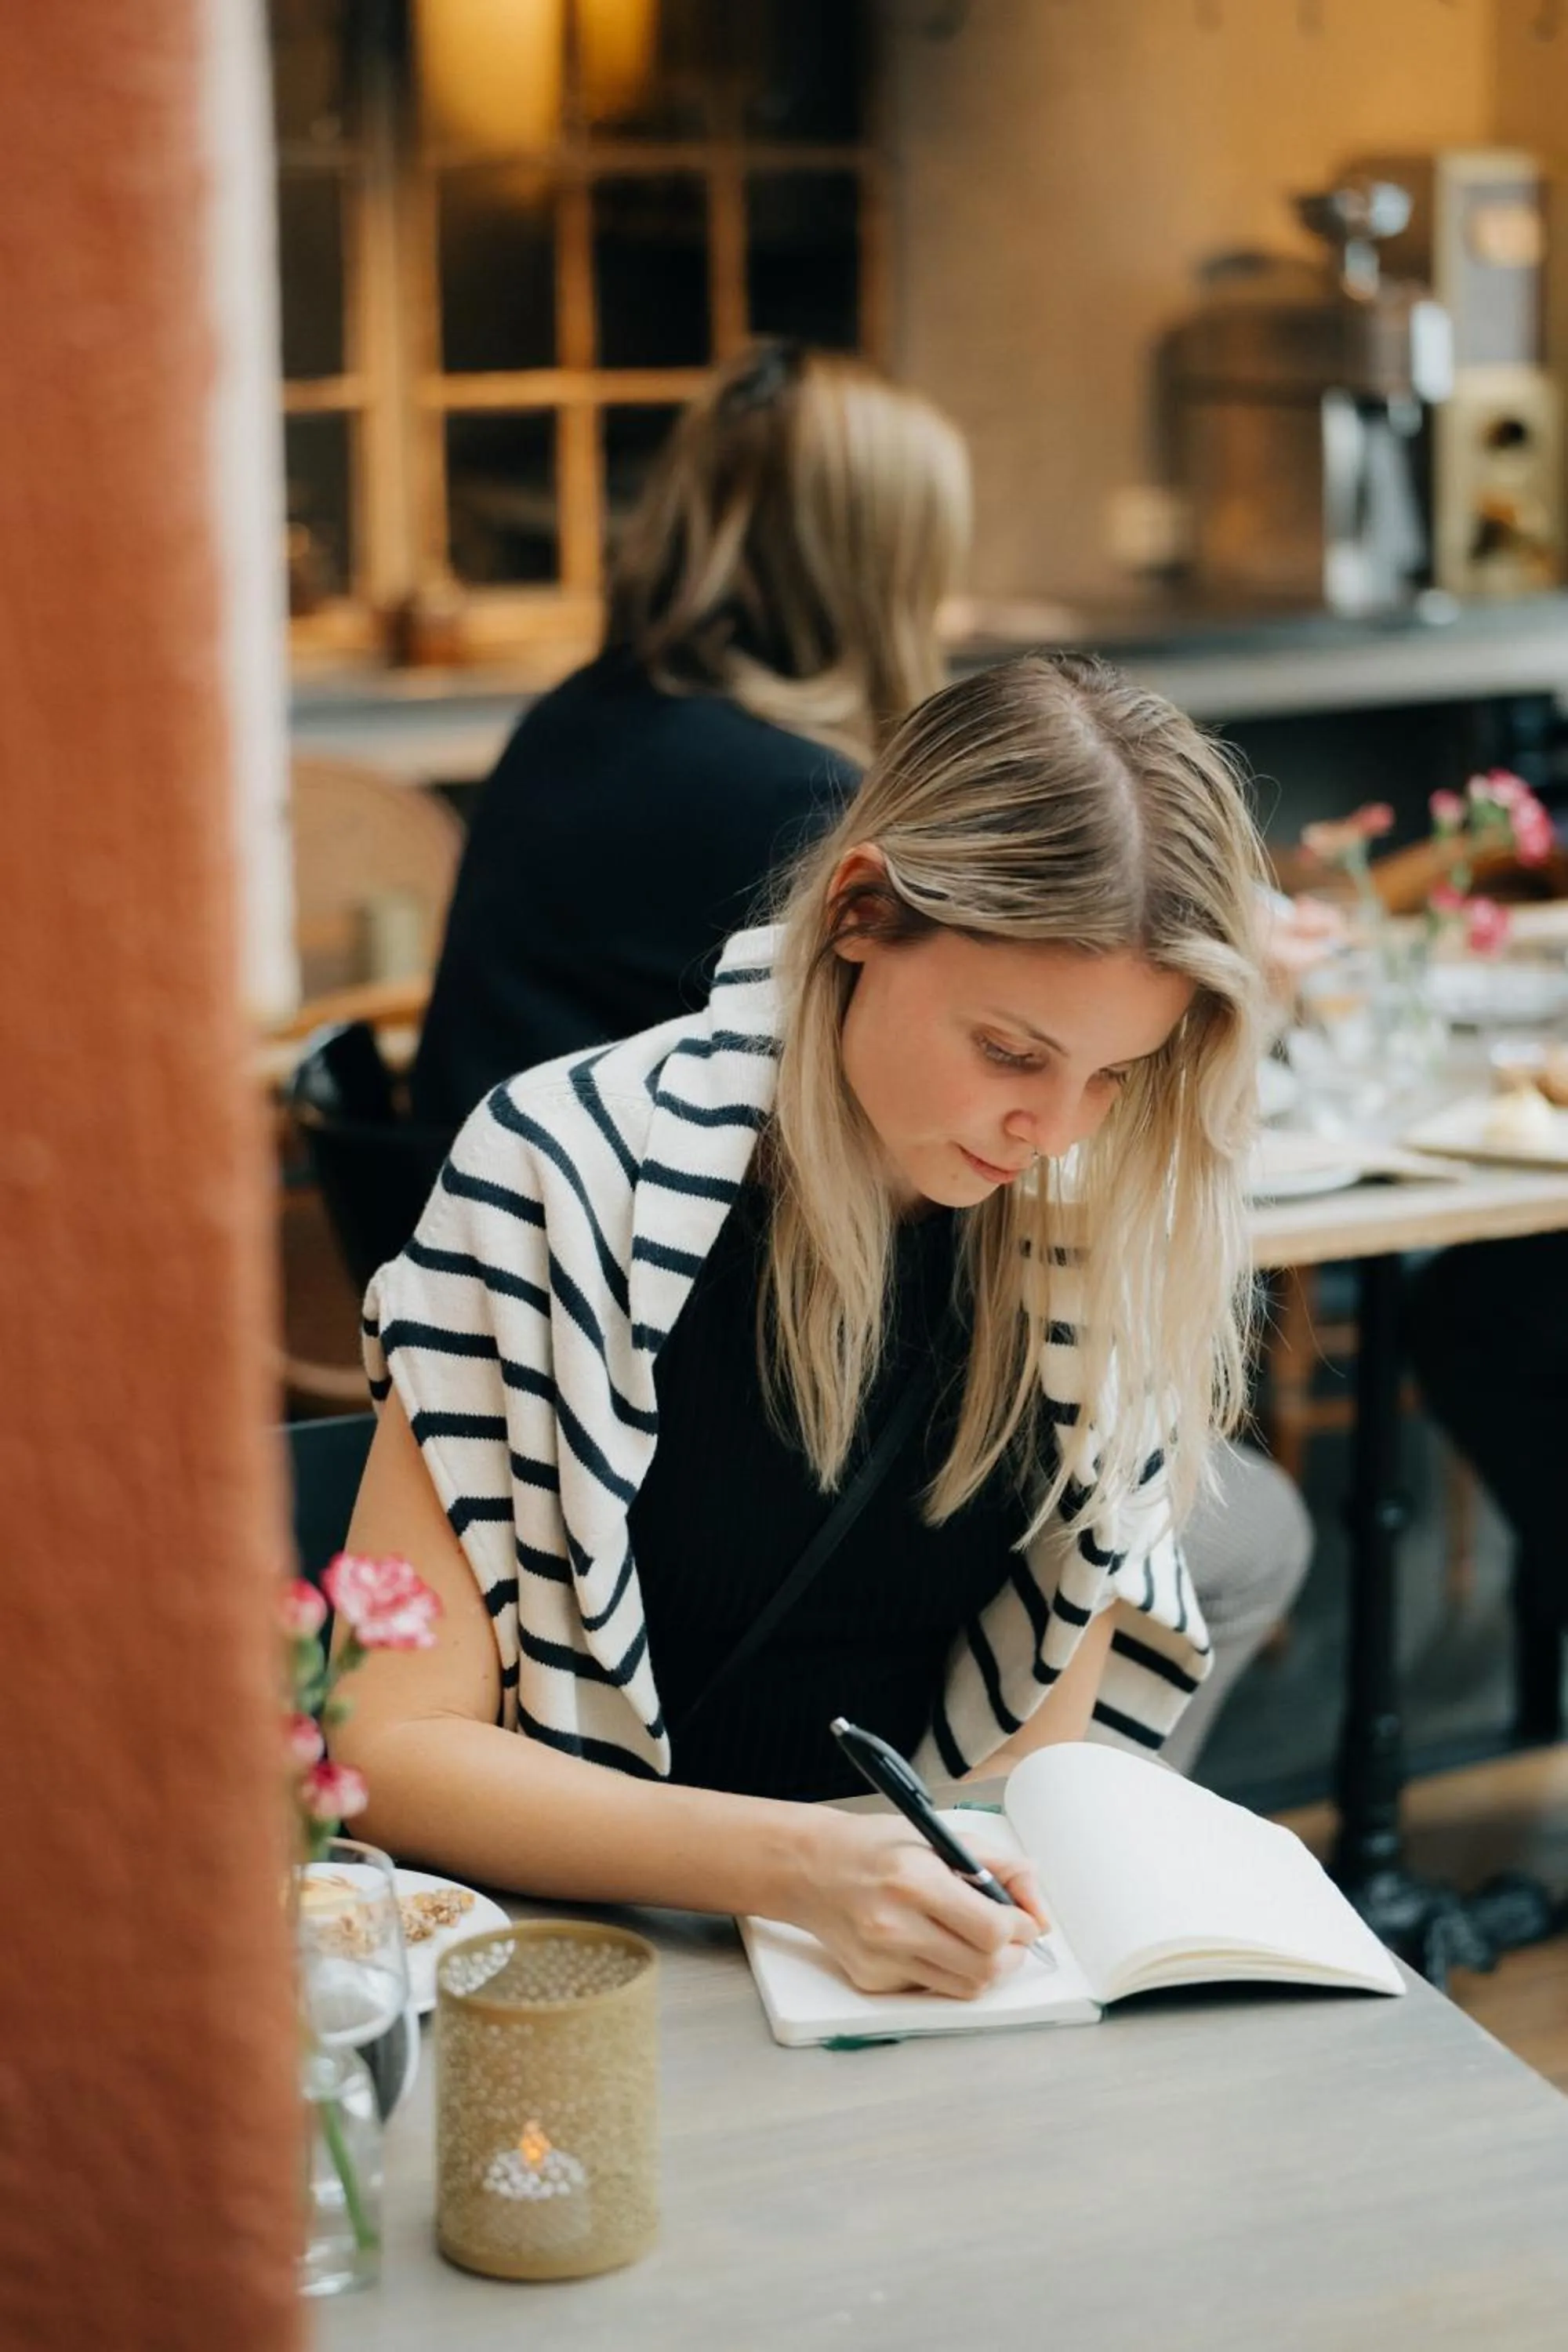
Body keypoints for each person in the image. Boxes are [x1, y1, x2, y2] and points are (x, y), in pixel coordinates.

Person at [336, 652, 1275, 2002]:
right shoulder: (559, 1176)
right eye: (1011, 1051)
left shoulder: (1100, 1235)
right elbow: (388, 1737)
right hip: (581, 1976)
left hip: (900, 1982)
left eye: (1117, 1074)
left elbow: (1036, 1767)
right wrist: (793, 1870)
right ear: (857, 913)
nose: (1056, 1128)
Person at [409, 339, 968, 1130]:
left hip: (479, 1207)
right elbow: (888, 1117)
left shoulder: (582, 712)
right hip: (600, 1239)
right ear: (886, 576)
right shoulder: (798, 802)